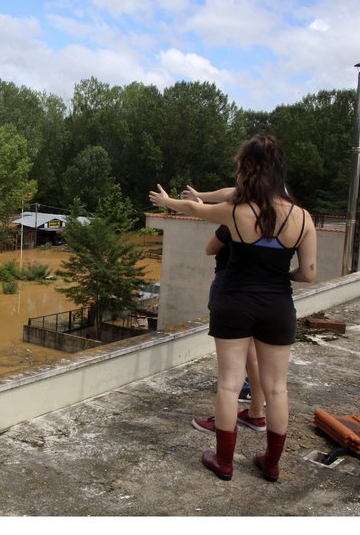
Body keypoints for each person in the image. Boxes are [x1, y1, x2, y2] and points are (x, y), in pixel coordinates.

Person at [149, 134, 317, 482]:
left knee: (228, 384)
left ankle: (224, 462)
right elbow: (309, 274)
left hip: (233, 301)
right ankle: (270, 464)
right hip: (277, 305)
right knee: (277, 388)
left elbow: (196, 210)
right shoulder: (303, 219)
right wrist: (280, 274)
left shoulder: (237, 212)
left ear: (248, 170)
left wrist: (167, 201)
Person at [191, 223, 266, 436]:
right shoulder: (274, 220)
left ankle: (224, 422)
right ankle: (256, 413)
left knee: (230, 372)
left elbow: (210, 249)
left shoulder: (234, 220)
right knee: (253, 356)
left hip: (230, 287)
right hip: (260, 290)